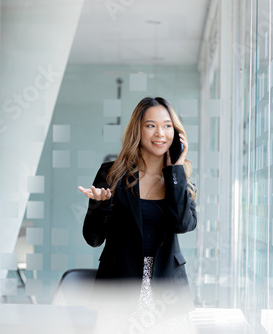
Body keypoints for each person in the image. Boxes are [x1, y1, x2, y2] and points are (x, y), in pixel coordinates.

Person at [79, 97, 197, 332]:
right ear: (138, 130)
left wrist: (176, 171)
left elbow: (183, 224)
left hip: (167, 291)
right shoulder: (111, 174)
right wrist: (102, 205)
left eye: (167, 126)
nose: (160, 133)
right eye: (151, 125)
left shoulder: (179, 179)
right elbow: (93, 238)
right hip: (118, 286)